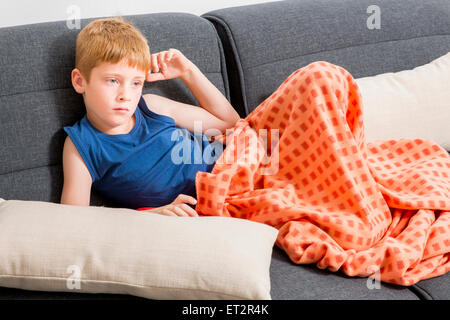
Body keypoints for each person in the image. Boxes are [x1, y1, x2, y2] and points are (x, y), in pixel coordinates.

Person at [60, 17, 240, 217]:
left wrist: (187, 71)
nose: (125, 96)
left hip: (235, 162)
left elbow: (230, 122)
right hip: (216, 199)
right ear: (79, 81)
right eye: (112, 80)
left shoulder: (151, 106)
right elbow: (74, 221)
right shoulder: (81, 145)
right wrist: (156, 214)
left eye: (136, 83)